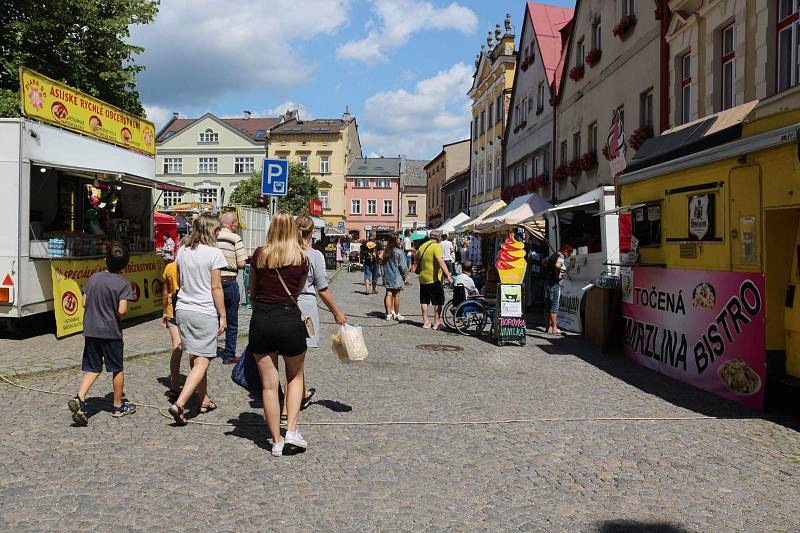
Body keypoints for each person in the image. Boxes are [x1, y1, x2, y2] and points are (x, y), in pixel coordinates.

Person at [248, 212, 310, 457]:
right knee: (294, 377)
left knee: (268, 385)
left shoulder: (259, 255)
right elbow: (299, 290)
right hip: (288, 318)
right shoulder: (301, 259)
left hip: (262, 319)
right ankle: (292, 430)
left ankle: (275, 441)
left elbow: (251, 289)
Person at [280, 216, 348, 426]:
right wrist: (337, 312)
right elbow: (323, 289)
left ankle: (300, 394)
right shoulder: (314, 255)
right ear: (312, 233)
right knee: (297, 359)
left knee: (290, 358)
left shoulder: (283, 252)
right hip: (306, 308)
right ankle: (285, 408)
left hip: (282, 306)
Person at [67, 242, 136, 425]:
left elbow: (83, 301)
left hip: (91, 330)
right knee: (116, 368)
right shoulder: (123, 283)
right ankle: (117, 407)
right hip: (111, 332)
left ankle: (80, 398)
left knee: (92, 367)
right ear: (126, 264)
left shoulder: (94, 278)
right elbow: (122, 311)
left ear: (106, 260)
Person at [168, 215, 228, 425]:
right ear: (210, 231)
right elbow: (216, 287)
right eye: (218, 230)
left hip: (183, 308)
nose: (220, 233)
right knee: (203, 360)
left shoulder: (183, 250)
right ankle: (180, 403)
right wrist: (223, 314)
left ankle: (203, 399)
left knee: (195, 356)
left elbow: (180, 276)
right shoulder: (214, 253)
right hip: (204, 311)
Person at [217, 211, 247, 364]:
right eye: (236, 224)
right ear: (232, 224)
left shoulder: (212, 237)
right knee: (232, 320)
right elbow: (242, 263)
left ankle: (206, 351)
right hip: (229, 282)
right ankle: (229, 356)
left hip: (213, 283)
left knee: (213, 318)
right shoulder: (235, 238)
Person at [416, 230, 453, 330]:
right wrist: (448, 275)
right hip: (434, 278)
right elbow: (440, 261)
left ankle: (426, 322)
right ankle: (436, 322)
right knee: (438, 301)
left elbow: (416, 258)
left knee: (424, 300)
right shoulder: (436, 246)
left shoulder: (423, 246)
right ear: (438, 238)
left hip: (423, 277)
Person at [161, 259, 183, 398]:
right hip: (189, 308)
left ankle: (174, 385)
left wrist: (163, 311)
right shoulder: (190, 265)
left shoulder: (169, 267)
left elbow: (165, 292)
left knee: (177, 346)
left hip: (172, 309)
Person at [542, 243, 572, 335]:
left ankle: (548, 327)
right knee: (554, 307)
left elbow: (543, 261)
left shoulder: (553, 256)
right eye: (569, 253)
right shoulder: (561, 257)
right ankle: (555, 328)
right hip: (554, 284)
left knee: (547, 306)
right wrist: (556, 275)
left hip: (547, 282)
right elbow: (558, 266)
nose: (569, 255)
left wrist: (549, 270)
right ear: (565, 251)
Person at [382, 234, 408, 320]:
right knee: (396, 294)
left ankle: (388, 314)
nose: (400, 241)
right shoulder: (399, 252)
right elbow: (403, 266)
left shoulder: (386, 251)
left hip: (387, 275)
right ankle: (396, 314)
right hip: (397, 276)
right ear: (395, 241)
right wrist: (405, 276)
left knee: (388, 293)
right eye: (399, 239)